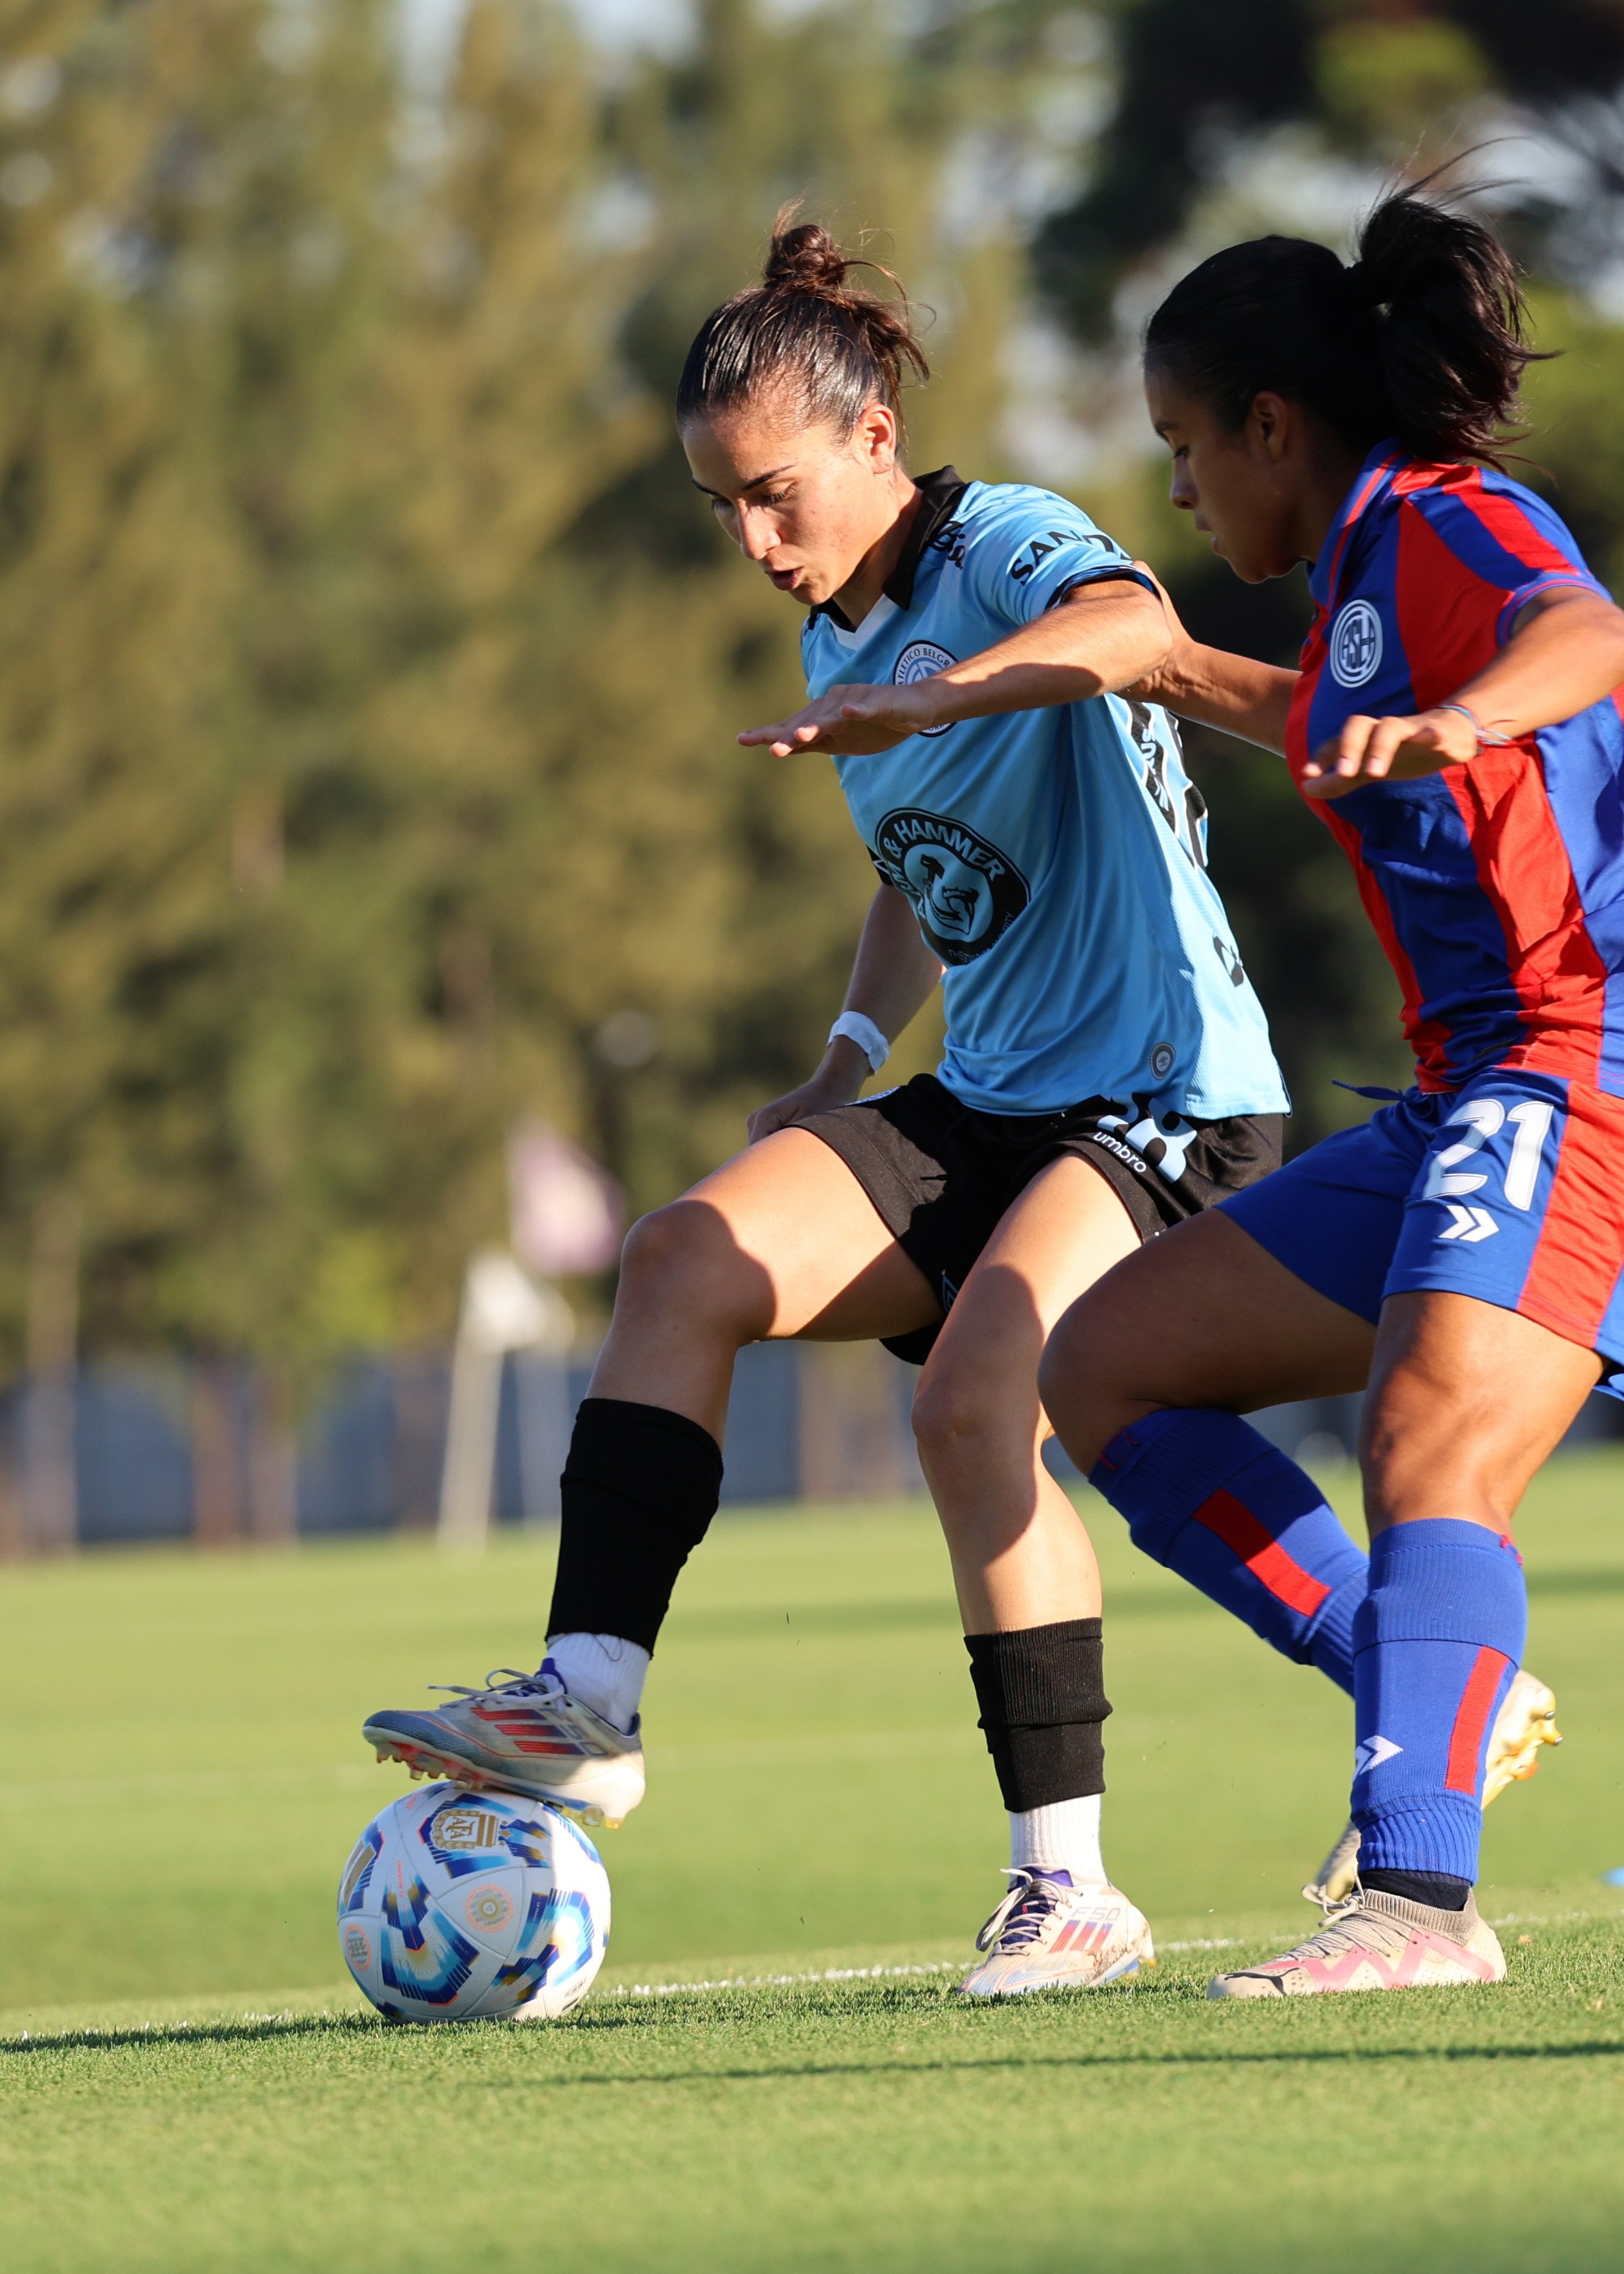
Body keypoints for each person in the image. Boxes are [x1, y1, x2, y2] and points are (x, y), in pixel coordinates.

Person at [362, 221, 1293, 1997]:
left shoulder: (1004, 538)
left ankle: (1069, 1889)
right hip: (1001, 1095)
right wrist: (853, 1059)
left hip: (1170, 1098)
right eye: (723, 511)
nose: (756, 543)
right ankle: (591, 1705)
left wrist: (925, 696)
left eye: (775, 496)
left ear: (876, 443)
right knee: (683, 1255)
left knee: (971, 1407)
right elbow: (919, 873)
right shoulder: (833, 652)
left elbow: (1131, 629)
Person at [1044, 185, 1624, 1997]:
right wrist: (1137, 666)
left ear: (1274, 426)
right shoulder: (1361, 584)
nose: (1185, 492)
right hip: (1486, 1091)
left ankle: (1419, 1905)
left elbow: (1587, 632)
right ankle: (1437, 1686)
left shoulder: (1444, 521)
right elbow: (1323, 708)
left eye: (1187, 448)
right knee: (1107, 1368)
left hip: (1619, 1066)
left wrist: (1476, 719)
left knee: (1430, 1436)